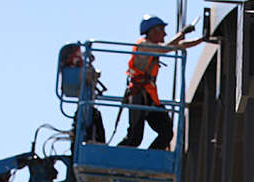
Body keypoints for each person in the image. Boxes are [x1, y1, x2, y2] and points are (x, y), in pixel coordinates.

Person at [121, 15, 203, 149]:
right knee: (135, 138)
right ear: (153, 31)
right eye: (162, 30)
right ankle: (116, 157)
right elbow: (163, 49)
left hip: (149, 96)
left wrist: (202, 40)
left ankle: (149, 159)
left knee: (166, 131)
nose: (165, 33)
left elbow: (179, 45)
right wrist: (182, 33)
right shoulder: (142, 45)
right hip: (138, 95)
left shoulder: (154, 46)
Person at [59, 44, 106, 144]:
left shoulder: (92, 114)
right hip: (85, 112)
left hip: (87, 111)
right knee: (88, 117)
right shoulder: (71, 72)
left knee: (93, 116)